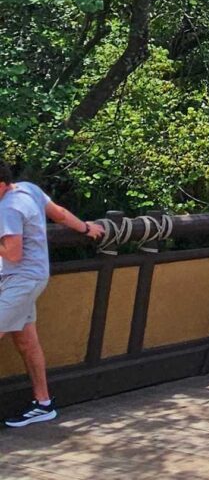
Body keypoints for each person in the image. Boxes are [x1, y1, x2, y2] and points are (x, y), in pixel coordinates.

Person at [0, 164, 103, 427]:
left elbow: (12, 254)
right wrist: (85, 228)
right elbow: (59, 214)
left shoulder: (8, 208)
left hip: (19, 281)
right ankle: (43, 403)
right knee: (26, 342)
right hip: (30, 278)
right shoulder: (28, 189)